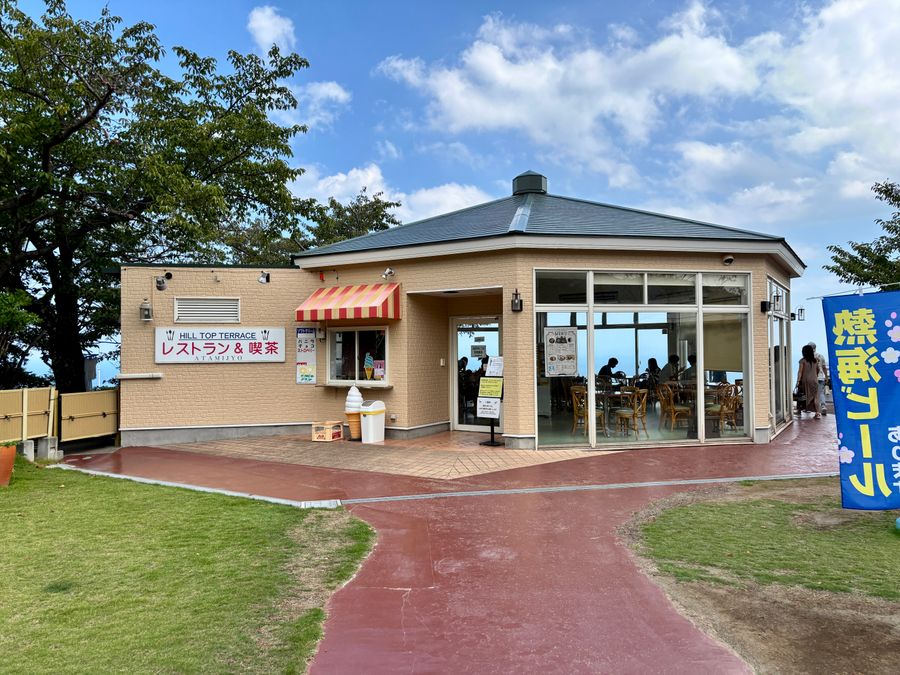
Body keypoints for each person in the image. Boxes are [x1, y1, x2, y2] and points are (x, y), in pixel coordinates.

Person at [796, 344, 823, 419]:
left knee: (802, 396)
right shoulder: (815, 360)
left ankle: (799, 410)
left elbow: (800, 372)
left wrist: (798, 381)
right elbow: (818, 370)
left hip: (805, 381)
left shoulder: (802, 361)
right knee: (815, 397)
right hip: (814, 380)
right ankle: (817, 413)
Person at [808, 342, 829, 416]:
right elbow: (824, 367)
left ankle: (812, 409)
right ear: (815, 348)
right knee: (820, 393)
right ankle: (823, 406)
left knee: (810, 394)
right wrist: (826, 377)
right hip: (820, 377)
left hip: (811, 378)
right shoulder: (821, 356)